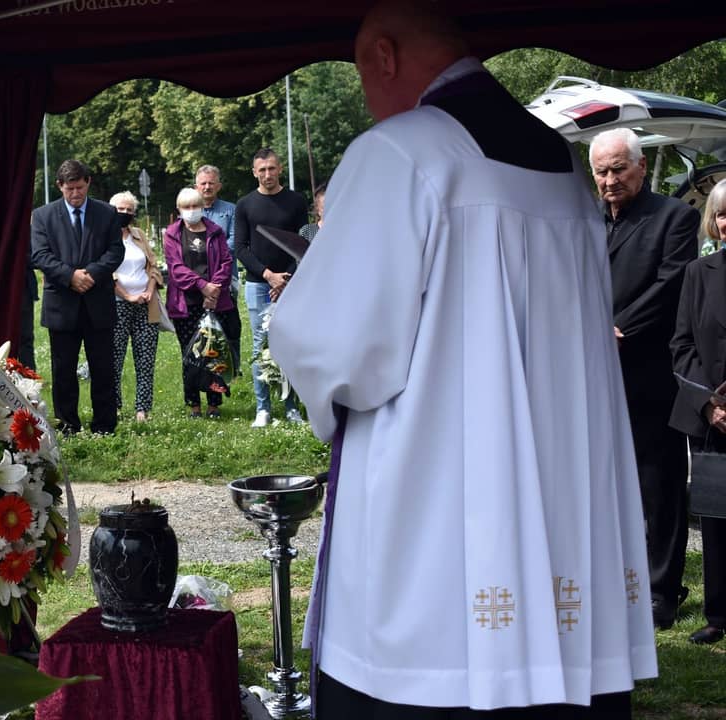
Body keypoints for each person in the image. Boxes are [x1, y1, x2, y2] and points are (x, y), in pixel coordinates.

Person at [268, 1, 655, 716]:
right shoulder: (563, 164)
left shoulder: (399, 154)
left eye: (361, 74)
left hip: (438, 508)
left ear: (384, 56)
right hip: (563, 497)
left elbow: (334, 347)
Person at [591, 126, 699, 630]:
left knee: (659, 485)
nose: (610, 180)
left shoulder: (674, 217)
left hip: (649, 373)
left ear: (640, 166)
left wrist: (619, 328)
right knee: (605, 483)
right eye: (601, 172)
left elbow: (671, 281)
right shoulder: (586, 221)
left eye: (618, 169)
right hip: (593, 371)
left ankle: (661, 591)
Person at [669, 178, 726, 646]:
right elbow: (681, 344)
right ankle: (719, 615)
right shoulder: (697, 272)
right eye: (723, 214)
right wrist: (709, 403)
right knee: (715, 520)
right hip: (711, 419)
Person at [30, 159, 123, 435]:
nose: (76, 194)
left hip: (98, 302)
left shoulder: (106, 213)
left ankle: (104, 425)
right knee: (63, 370)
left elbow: (115, 251)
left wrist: (91, 274)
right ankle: (67, 424)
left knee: (103, 368)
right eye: (70, 189)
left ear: (88, 182)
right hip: (62, 304)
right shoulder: (43, 216)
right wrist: (70, 276)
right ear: (60, 186)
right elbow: (40, 255)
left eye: (80, 187)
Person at [235, 148, 307, 427]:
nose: (268, 174)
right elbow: (241, 248)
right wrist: (268, 276)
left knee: (289, 344)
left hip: (290, 284)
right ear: (254, 172)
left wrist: (285, 278)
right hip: (258, 284)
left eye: (272, 168)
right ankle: (263, 408)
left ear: (280, 169)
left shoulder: (296, 201)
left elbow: (301, 244)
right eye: (262, 170)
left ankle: (291, 406)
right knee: (259, 346)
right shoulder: (245, 204)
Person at [165, 188, 235, 419]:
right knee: (191, 355)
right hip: (185, 304)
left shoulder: (215, 231)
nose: (191, 210)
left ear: (202, 207)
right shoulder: (172, 234)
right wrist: (202, 285)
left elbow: (226, 261)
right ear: (179, 209)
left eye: (195, 206)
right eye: (186, 207)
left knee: (213, 354)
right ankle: (194, 404)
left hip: (215, 301)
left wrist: (214, 289)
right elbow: (176, 268)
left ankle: (214, 404)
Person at [109, 190, 160, 422]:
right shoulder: (104, 236)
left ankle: (142, 410)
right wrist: (127, 296)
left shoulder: (138, 235)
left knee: (146, 359)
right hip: (117, 305)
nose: (125, 213)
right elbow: (105, 272)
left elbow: (153, 265)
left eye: (129, 210)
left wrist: (149, 289)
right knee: (114, 359)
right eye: (120, 209)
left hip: (146, 304)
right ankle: (114, 407)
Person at [196, 164, 243, 376]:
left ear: (219, 186)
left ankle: (233, 366)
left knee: (230, 325)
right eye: (203, 183)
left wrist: (208, 255)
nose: (207, 187)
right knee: (202, 325)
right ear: (196, 186)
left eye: (211, 183)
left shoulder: (231, 210)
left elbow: (234, 243)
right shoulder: (190, 210)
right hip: (198, 281)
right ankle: (205, 366)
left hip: (226, 278)